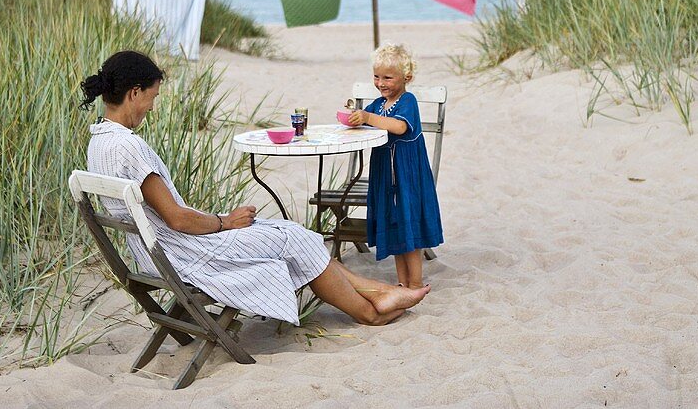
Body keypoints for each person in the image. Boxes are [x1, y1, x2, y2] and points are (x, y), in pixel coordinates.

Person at [79, 50, 430, 327]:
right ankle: (371, 311)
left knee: (289, 232)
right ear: (134, 92)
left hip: (155, 254)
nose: (153, 105)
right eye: (152, 96)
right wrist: (223, 221)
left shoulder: (100, 142)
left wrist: (221, 220)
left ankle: (381, 292)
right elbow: (177, 219)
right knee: (294, 237)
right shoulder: (129, 147)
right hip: (183, 254)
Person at [346, 43, 444, 289]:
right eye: (377, 77)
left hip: (406, 176)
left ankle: (416, 283)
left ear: (406, 77)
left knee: (408, 226)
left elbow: (399, 127)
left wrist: (367, 118)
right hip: (385, 175)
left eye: (388, 77)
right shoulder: (378, 104)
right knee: (396, 227)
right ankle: (403, 283)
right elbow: (367, 121)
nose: (381, 83)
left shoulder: (407, 101)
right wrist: (355, 117)